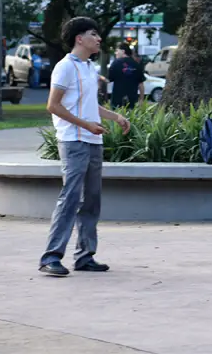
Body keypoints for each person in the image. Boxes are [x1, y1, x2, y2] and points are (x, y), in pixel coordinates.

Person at [39, 17, 131, 277]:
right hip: (73, 140)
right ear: (79, 38)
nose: (99, 39)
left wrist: (115, 117)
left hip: (93, 140)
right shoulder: (65, 67)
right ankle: (51, 257)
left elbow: (90, 105)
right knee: (70, 198)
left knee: (92, 200)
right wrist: (86, 125)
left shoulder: (90, 68)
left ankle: (85, 256)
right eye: (93, 34)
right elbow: (53, 106)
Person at [106, 42, 146, 109]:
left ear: (123, 51)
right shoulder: (136, 65)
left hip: (117, 102)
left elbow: (108, 80)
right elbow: (141, 84)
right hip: (132, 102)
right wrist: (141, 99)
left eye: (117, 51)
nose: (115, 53)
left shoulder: (115, 63)